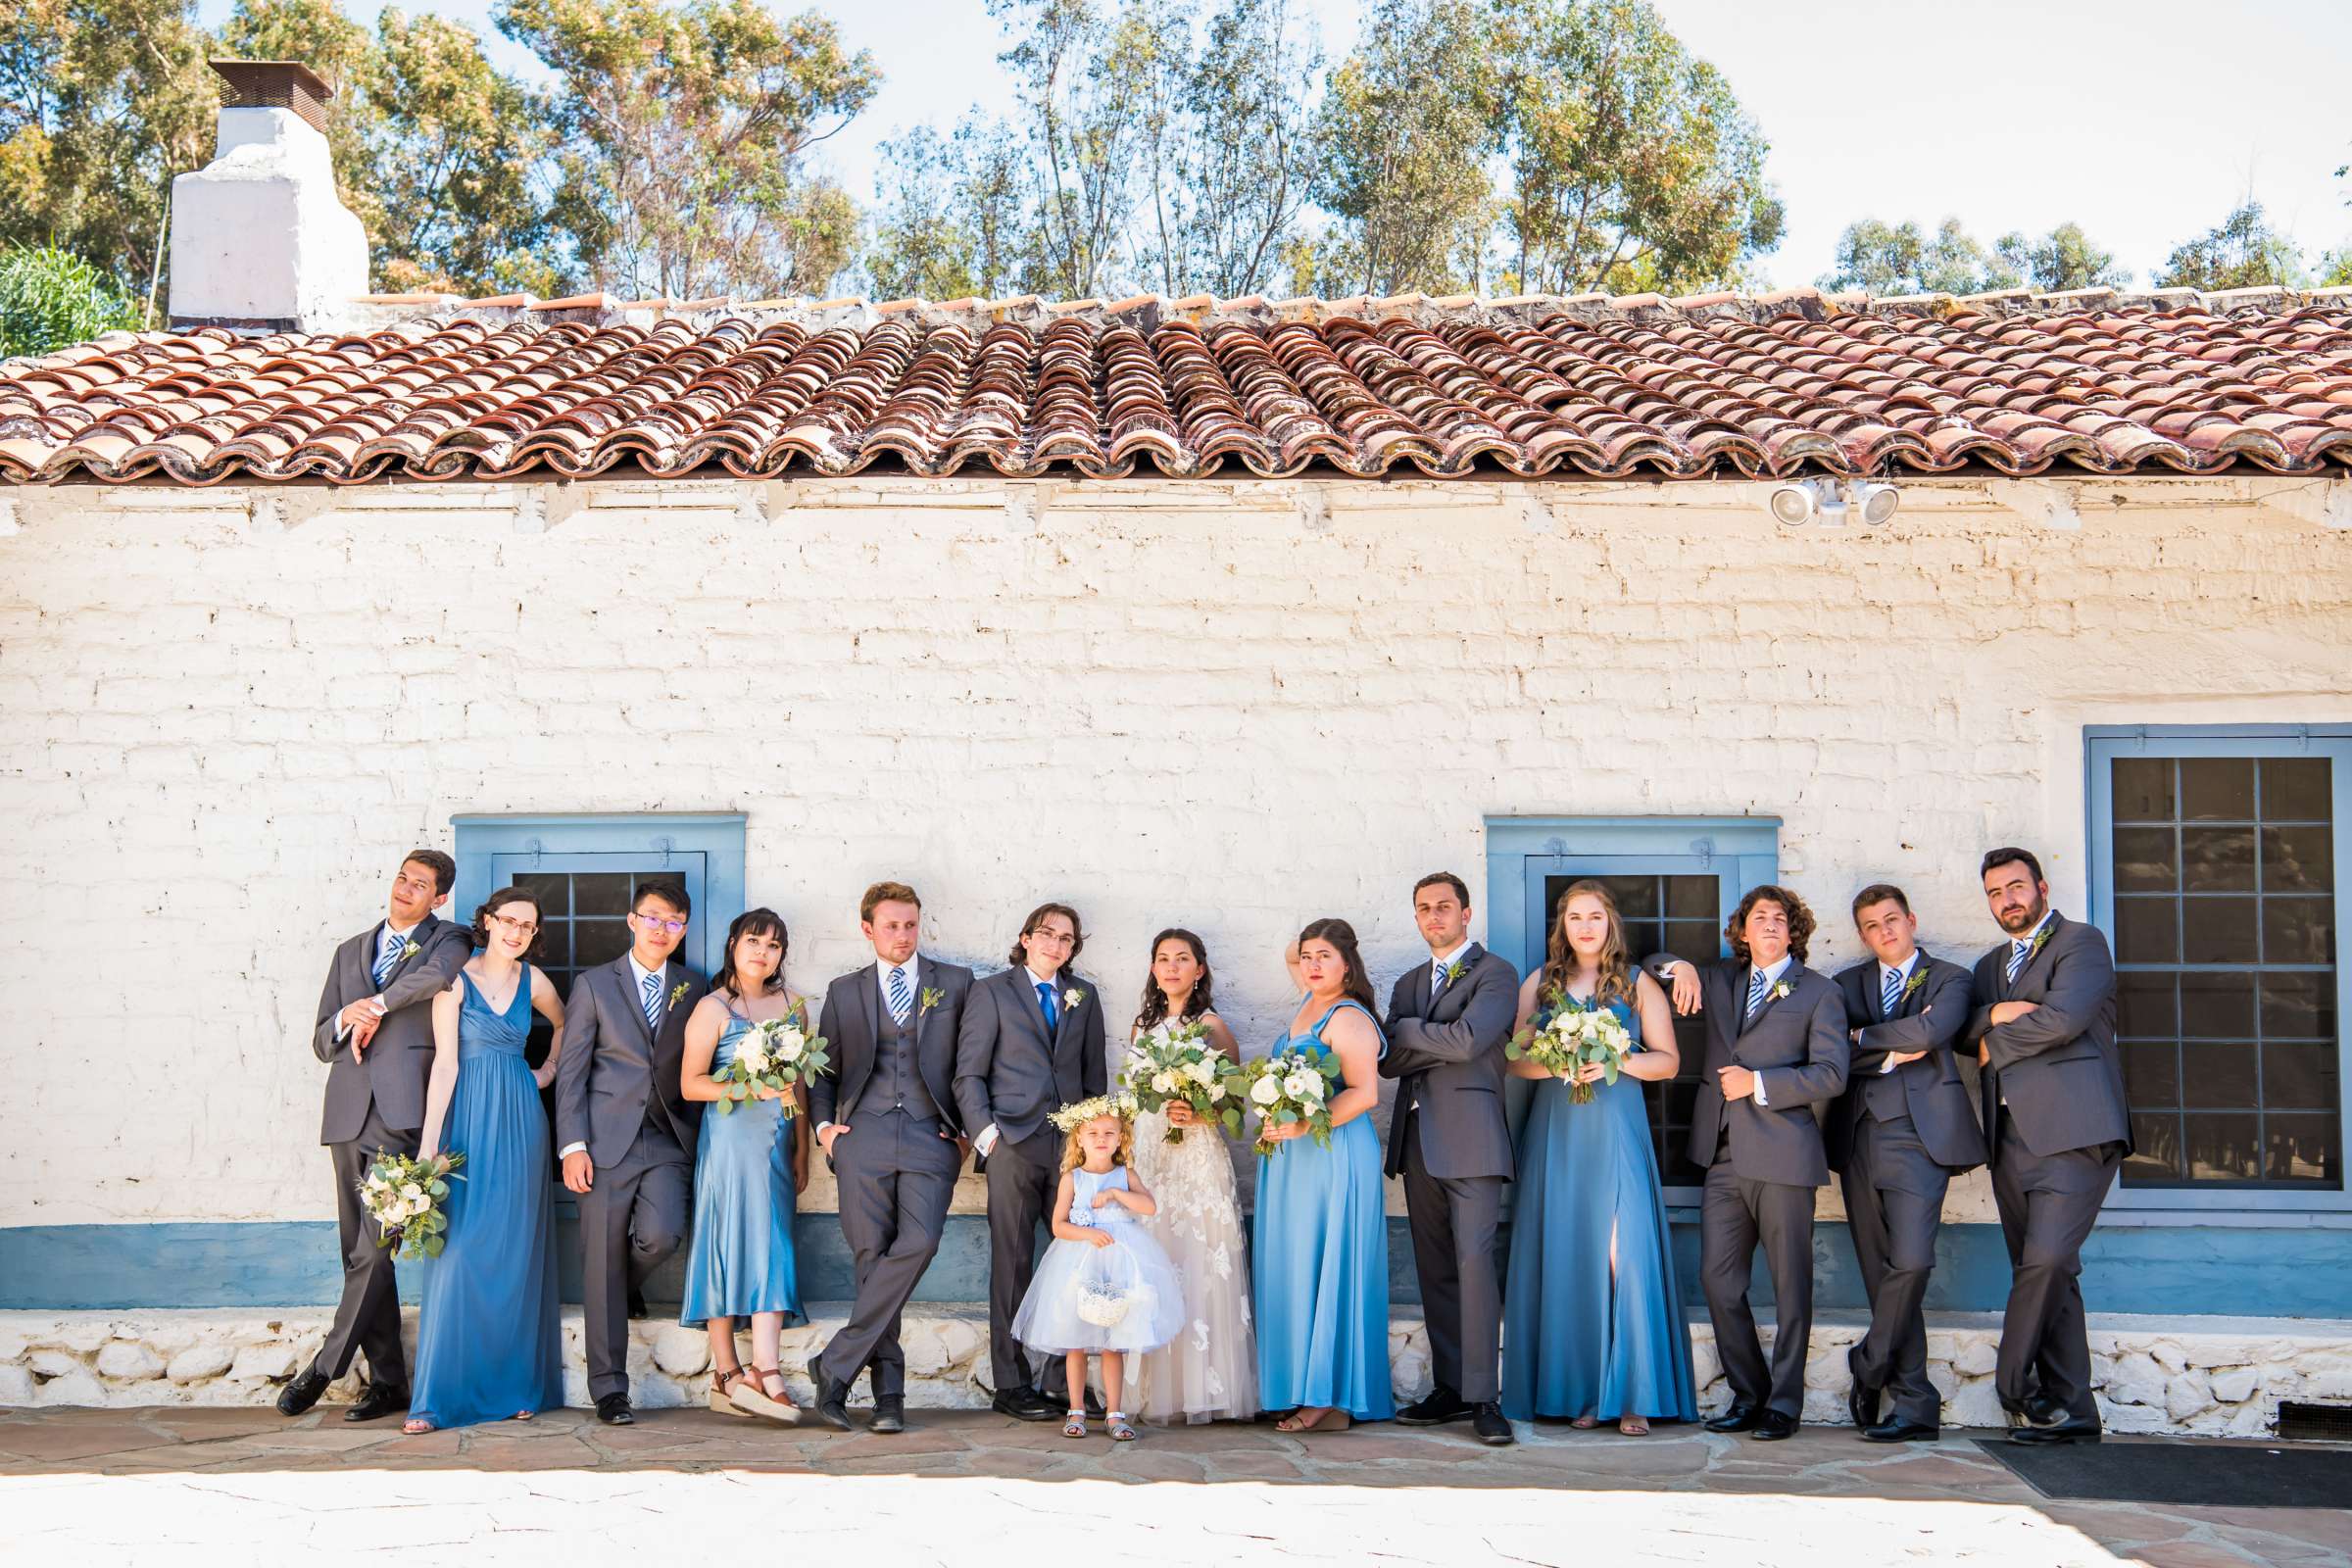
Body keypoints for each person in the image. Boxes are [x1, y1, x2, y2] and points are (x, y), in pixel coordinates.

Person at [1653, 885, 1849, 1441]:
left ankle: (1784, 1404)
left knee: (1792, 1287)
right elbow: (1650, 962)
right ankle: (1749, 1393)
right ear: (1742, 930)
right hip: (1723, 1157)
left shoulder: (1820, 992)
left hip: (1785, 1155)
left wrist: (1759, 1083)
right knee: (1718, 1280)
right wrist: (1680, 967)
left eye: (1779, 918)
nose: (1769, 924)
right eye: (1758, 917)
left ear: (1793, 932)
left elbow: (1832, 1074)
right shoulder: (1719, 979)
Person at [281, 850, 469, 1423]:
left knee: (373, 1245)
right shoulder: (349, 951)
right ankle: (388, 1383)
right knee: (359, 1254)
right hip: (346, 1113)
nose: (407, 890)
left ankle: (323, 1367)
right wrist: (347, 1017)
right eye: (403, 879)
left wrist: (375, 1007)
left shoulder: (450, 940)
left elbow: (434, 980)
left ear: (439, 898)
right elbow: (321, 1038)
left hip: (400, 1112)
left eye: (422, 885)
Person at [1501, 881, 1696, 1434]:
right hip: (1558, 1129)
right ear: (1562, 926)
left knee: (1622, 1253)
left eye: (1595, 917)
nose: (1585, 927)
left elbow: (1668, 1062)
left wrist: (1616, 1055)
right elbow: (1515, 1059)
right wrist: (1557, 1062)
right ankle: (1583, 1393)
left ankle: (1633, 1394)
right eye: (1574, 918)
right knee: (1570, 1254)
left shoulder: (1635, 984)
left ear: (1610, 923)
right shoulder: (1540, 982)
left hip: (1615, 1126)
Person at [1968, 848, 2128, 1447]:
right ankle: (2074, 1410)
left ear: (2041, 886)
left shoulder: (2081, 943)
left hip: (2077, 1131)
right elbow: (1964, 1027)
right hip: (2010, 1139)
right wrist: (1999, 1013)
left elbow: (2063, 1020)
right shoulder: (1989, 967)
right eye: (1994, 892)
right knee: (2049, 1270)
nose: (2006, 900)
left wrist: (1993, 1040)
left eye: (2015, 887)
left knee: (2047, 1262)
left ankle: (2011, 1382)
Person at [808, 881, 975, 1434]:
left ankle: (834, 1365)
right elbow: (825, 1069)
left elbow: (974, 1059)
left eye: (910, 924)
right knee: (870, 1260)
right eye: (891, 926)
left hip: (933, 1135)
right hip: (864, 1136)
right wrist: (826, 1131)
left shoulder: (955, 983)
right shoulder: (843, 990)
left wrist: (968, 1128)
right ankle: (888, 1399)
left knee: (919, 1243)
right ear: (867, 929)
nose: (903, 936)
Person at [403, 888, 567, 1434]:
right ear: (489, 921)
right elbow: (444, 1066)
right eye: (510, 921)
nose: (518, 932)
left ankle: (516, 1387)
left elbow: (565, 1026)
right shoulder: (454, 981)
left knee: (514, 1250)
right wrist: (428, 1146)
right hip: (467, 1118)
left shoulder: (536, 983)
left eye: (528, 926)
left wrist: (542, 1073)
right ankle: (438, 1399)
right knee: (461, 1251)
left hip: (522, 1119)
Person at [1829, 883, 1985, 1443]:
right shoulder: (1845, 984)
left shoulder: (1950, 978)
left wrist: (1866, 1037)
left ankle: (1869, 1362)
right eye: (1872, 926)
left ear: (1911, 919)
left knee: (1912, 1263)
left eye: (1891, 920)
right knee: (1881, 1271)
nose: (1884, 932)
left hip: (1920, 1141)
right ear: (1863, 935)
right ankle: (1916, 1402)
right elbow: (1832, 1050)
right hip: (1859, 1140)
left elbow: (1931, 1030)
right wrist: (1888, 1048)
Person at [554, 879, 709, 1427]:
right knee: (599, 1260)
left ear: (683, 929)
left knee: (662, 1234)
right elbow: (572, 1071)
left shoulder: (694, 987)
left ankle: (617, 1288)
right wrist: (572, 1145)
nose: (661, 929)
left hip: (667, 1136)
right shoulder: (595, 985)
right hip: (603, 1140)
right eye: (653, 918)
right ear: (632, 920)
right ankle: (610, 1389)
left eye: (673, 922)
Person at [1379, 872, 1519, 1446]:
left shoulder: (1497, 973)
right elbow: (1388, 1060)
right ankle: (1451, 1388)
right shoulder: (1410, 980)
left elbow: (1468, 1042)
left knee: (1475, 1268)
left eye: (1443, 907)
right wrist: (1419, 1036)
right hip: (1416, 1145)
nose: (1433, 916)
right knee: (1435, 1272)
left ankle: (1485, 1397)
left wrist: (1415, 1032)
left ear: (1466, 913)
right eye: (1423, 909)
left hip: (1474, 1143)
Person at [956, 903, 1108, 1422]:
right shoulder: (991, 992)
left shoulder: (1084, 997)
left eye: (1067, 939)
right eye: (1047, 934)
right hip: (1013, 1144)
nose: (1056, 945)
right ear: (1025, 938)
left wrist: (1093, 1150)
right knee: (1013, 1263)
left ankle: (1059, 1379)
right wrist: (989, 1137)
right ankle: (1010, 1382)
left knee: (1075, 1259)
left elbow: (1093, 1079)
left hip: (1070, 1149)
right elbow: (968, 1075)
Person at [1254, 917, 1394, 1434]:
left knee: (1327, 1260)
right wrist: (1314, 943)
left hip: (1331, 1152)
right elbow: (1290, 952)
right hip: (1295, 1156)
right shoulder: (1308, 1001)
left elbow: (1364, 1094)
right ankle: (1300, 1386)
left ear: (1348, 964)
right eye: (1308, 956)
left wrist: (1300, 1122)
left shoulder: (1348, 1015)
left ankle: (1328, 1395)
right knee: (1298, 1264)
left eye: (1325, 957)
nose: (1310, 964)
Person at [679, 908, 812, 1425]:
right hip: (730, 1139)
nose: (763, 952)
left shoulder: (792, 1005)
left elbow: (799, 1083)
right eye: (754, 941)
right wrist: (748, 1087)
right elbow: (691, 1084)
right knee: (724, 1239)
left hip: (776, 1142)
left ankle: (765, 1366)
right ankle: (728, 1371)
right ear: (734, 943)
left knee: (772, 1240)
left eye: (774, 945)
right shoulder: (713, 1008)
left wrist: (801, 1146)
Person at [1126, 928, 1258, 1426]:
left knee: (1198, 1263)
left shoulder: (1212, 1025)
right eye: (1163, 959)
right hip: (1151, 1155)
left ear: (1199, 969)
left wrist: (1200, 1114)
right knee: (1153, 1261)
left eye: (1183, 959)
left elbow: (1235, 1106)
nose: (1172, 967)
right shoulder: (1143, 1026)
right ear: (1154, 968)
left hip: (1196, 1159)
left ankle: (1202, 1388)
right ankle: (1152, 1387)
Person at [1010, 1099, 1187, 1443]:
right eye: (1093, 1133)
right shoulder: (1071, 1178)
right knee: (1075, 1342)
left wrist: (1118, 1194)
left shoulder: (1126, 1175)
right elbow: (1060, 1226)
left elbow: (1149, 1206)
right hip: (1078, 1263)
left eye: (1109, 1132)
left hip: (1121, 1264)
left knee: (1113, 1343)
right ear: (1079, 1139)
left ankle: (1114, 1412)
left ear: (1122, 1138)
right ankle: (1075, 1409)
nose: (1101, 1138)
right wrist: (1088, 1233)